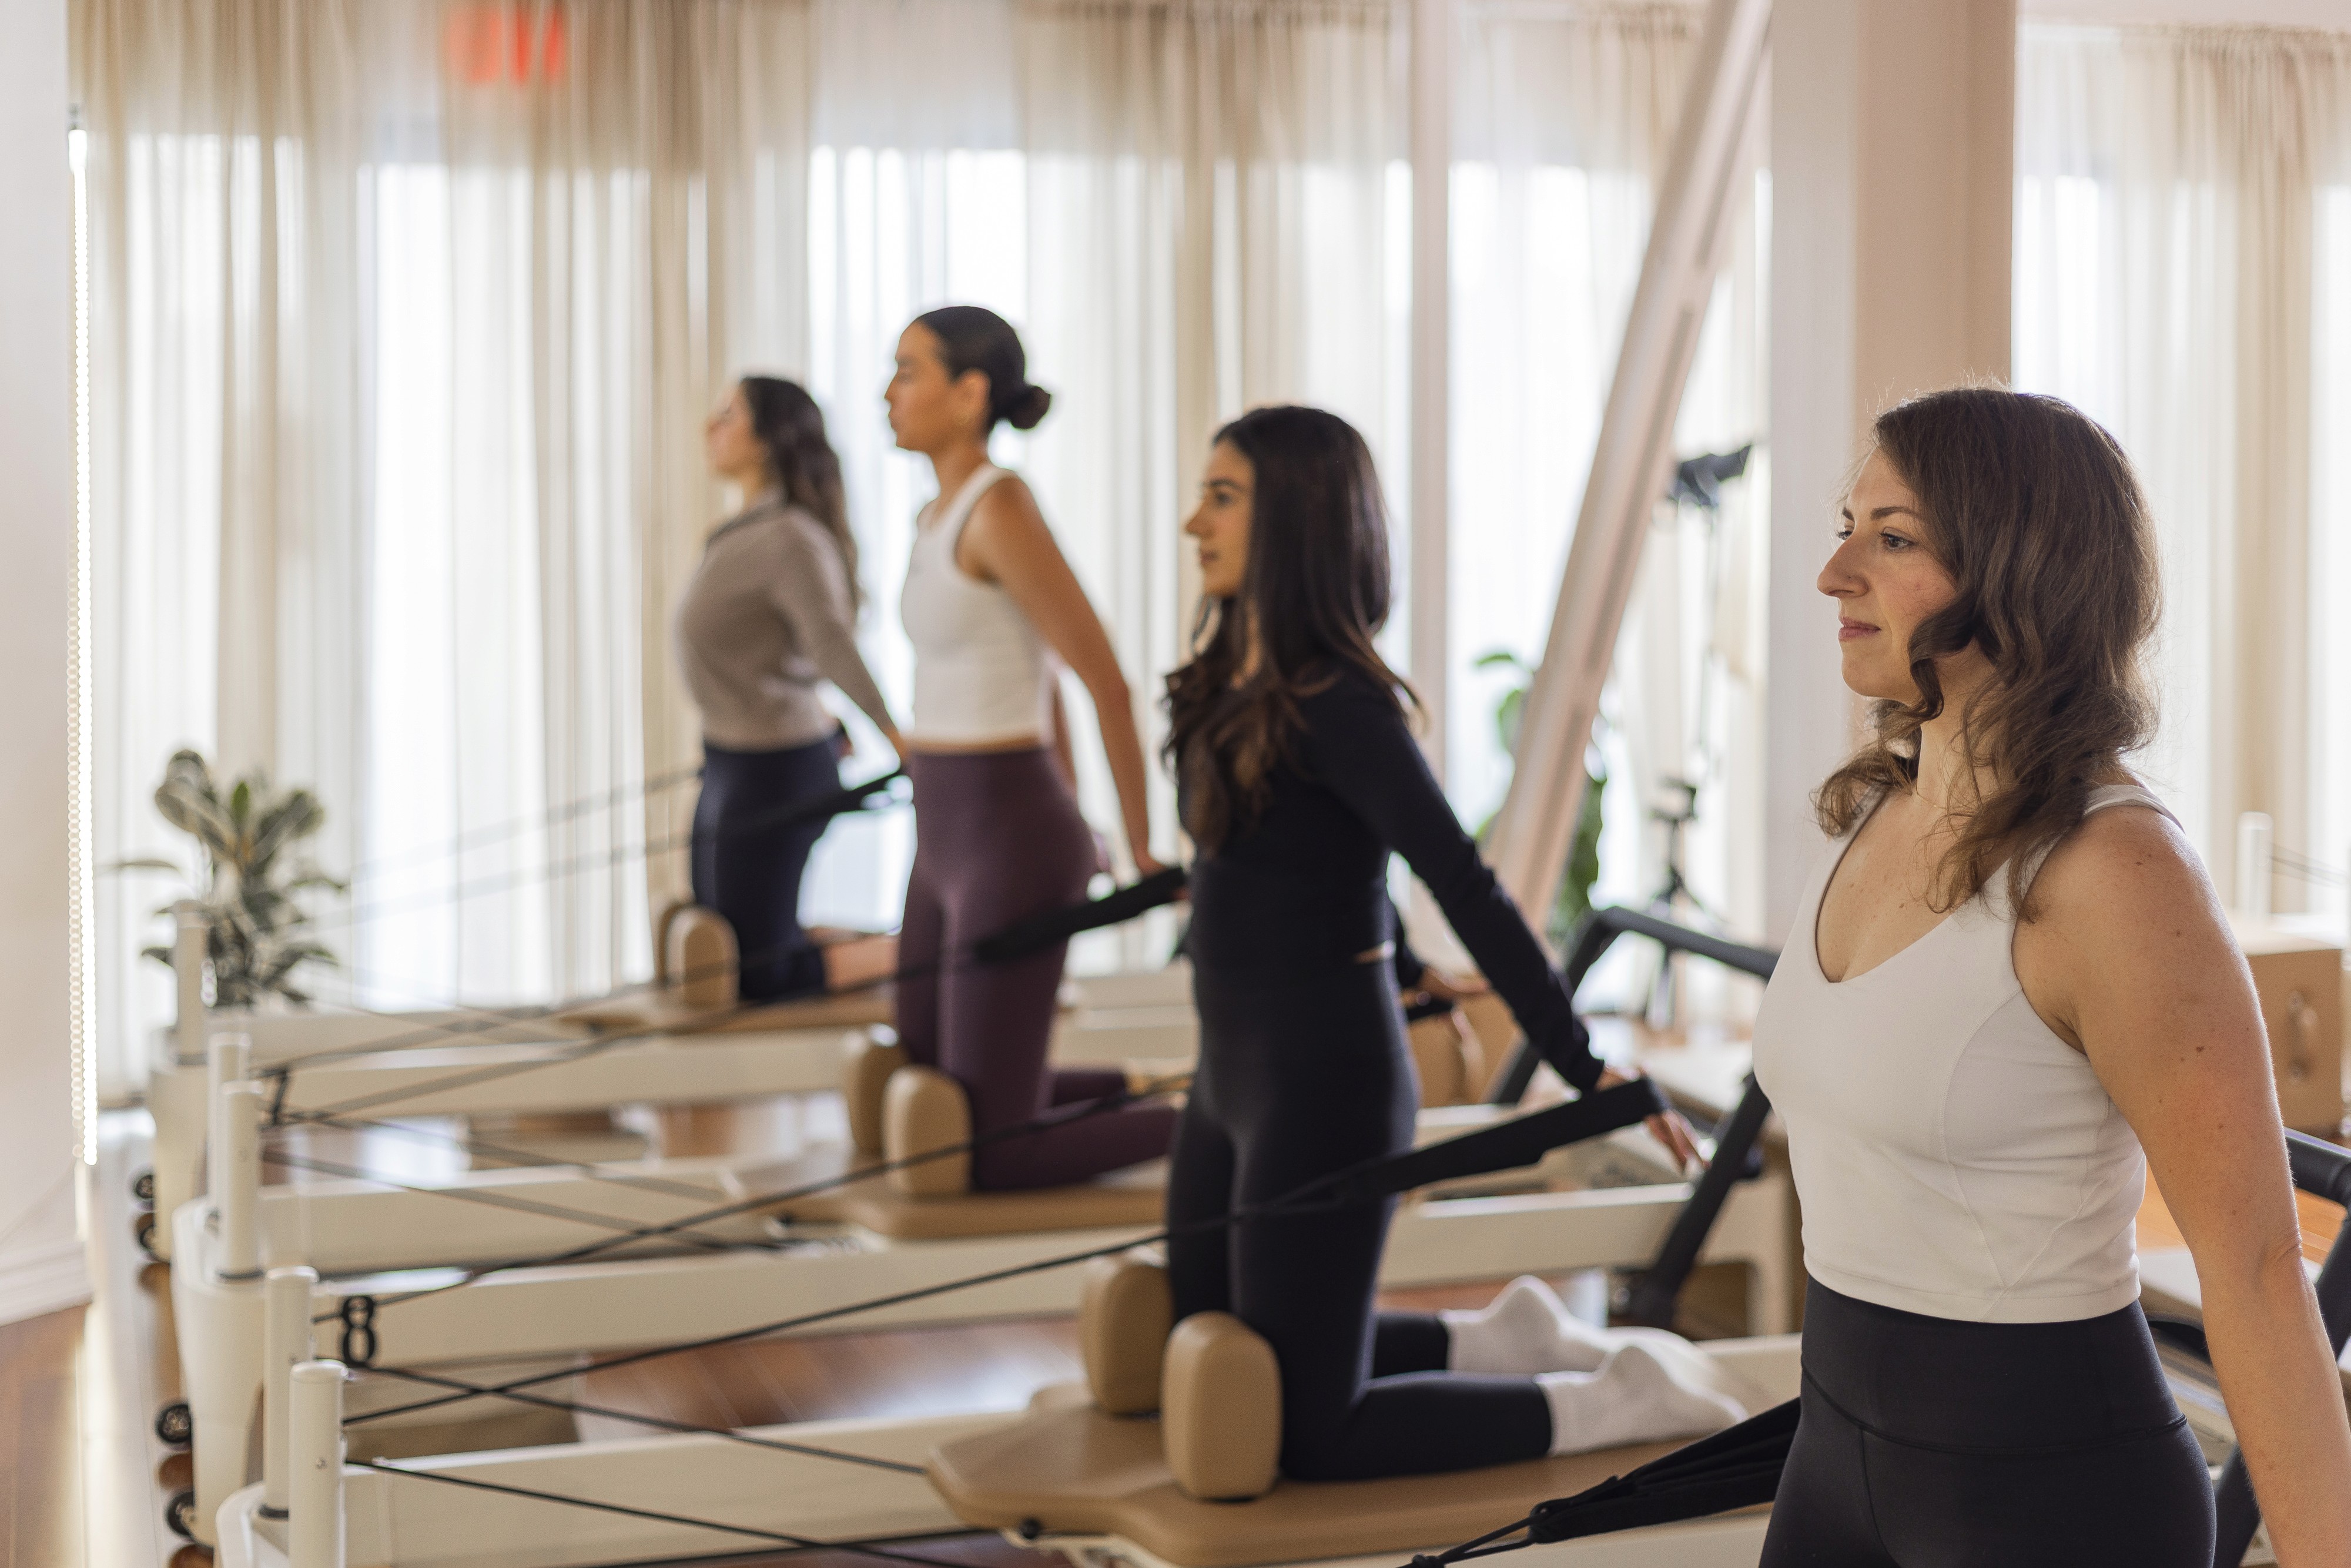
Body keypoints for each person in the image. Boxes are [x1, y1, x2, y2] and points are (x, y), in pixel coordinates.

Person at [1751, 387, 2351, 1566]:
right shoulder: (1878, 807)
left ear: (2013, 572)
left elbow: (2256, 1271)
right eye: (1844, 523)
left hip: (2047, 1502)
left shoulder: (2113, 873)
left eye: (1890, 536)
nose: (1832, 571)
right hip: (1831, 1467)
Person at [1163, 404, 1719, 1483]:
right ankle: (1497, 1340)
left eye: (1223, 497)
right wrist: (1410, 969)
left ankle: (1606, 1402)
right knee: (1209, 1339)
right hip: (1228, 1071)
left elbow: (1459, 878)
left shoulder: (1342, 704)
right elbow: (1311, 865)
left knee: (1308, 1431)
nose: (1196, 522)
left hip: (1321, 1083)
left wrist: (1580, 1062)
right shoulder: (1229, 678)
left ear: (1295, 521)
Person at [884, 304, 1178, 1191]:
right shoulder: (935, 515)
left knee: (988, 1149)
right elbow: (1038, 672)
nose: (887, 392)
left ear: (971, 394)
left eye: (908, 371)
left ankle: (1205, 1125)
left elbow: (1104, 677)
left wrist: (1133, 843)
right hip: (946, 836)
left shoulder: (999, 506)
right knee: (931, 1074)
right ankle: (1146, 1092)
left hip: (1007, 835)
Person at [677, 376, 900, 1001]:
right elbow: (776, 651)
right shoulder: (748, 530)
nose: (710, 427)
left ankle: (916, 950)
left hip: (775, 769)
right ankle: (877, 944)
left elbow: (830, 644)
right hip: (730, 761)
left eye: (728, 414)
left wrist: (897, 737)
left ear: (769, 438)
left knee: (756, 974)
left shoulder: (789, 539)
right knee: (723, 954)